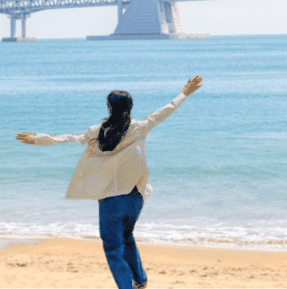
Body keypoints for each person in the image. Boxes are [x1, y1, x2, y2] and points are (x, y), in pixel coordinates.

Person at [15, 75, 203, 289]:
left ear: (109, 108)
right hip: (135, 195)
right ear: (130, 107)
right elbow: (166, 110)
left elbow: (69, 137)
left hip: (111, 200)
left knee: (113, 248)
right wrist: (185, 92)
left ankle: (127, 286)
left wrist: (38, 138)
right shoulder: (140, 127)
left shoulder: (97, 131)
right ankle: (140, 280)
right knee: (127, 235)